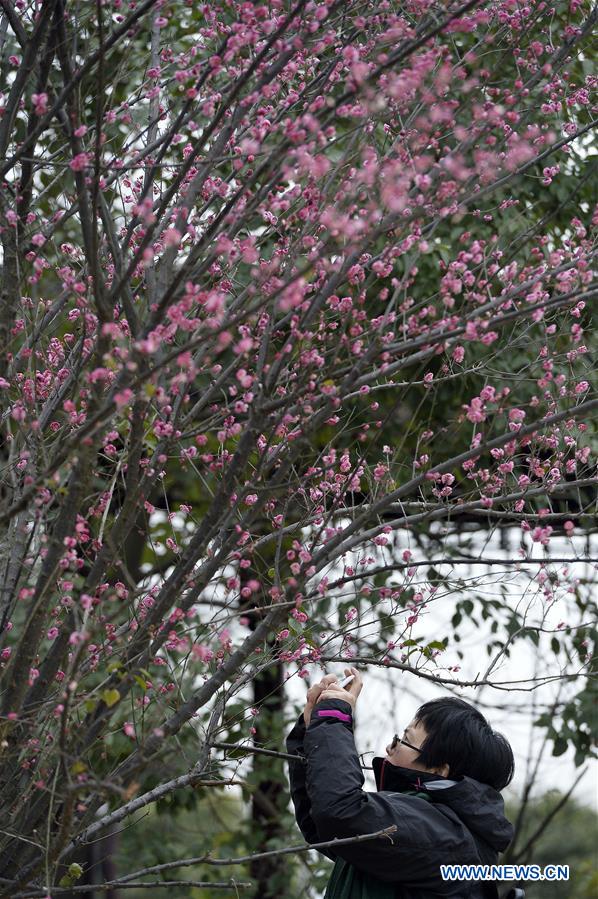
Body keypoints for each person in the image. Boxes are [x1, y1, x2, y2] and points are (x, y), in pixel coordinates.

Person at [286, 667, 515, 898]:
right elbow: (323, 828)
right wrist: (311, 732)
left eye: (405, 740)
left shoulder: (446, 837)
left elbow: (341, 813)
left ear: (438, 770)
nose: (390, 746)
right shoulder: (434, 827)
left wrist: (332, 718)